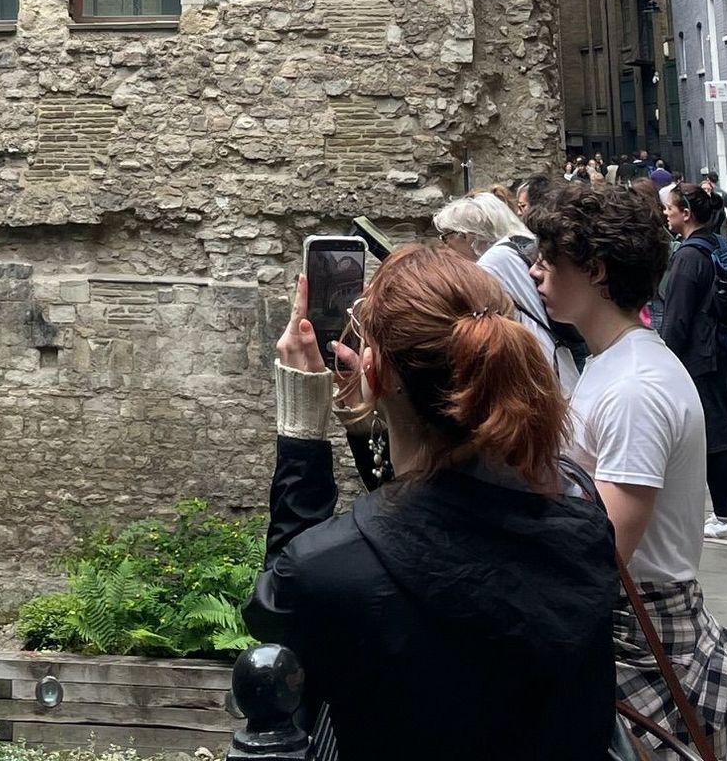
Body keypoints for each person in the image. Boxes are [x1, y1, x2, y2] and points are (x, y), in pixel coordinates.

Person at [245, 245, 618, 761]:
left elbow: (277, 614)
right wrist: (371, 424)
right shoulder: (583, 529)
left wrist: (302, 432)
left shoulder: (328, 568)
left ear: (374, 372)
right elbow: (431, 517)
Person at [526, 184, 727, 761]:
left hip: (637, 631)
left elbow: (600, 551)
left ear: (596, 270)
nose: (534, 273)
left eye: (549, 260)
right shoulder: (615, 362)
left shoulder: (635, 389)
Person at [660, 185, 727, 549]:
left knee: (716, 437)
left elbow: (677, 318)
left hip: (704, 358)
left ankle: (723, 520)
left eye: (670, 208)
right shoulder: (718, 245)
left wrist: (665, 361)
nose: (666, 213)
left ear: (686, 213)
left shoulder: (688, 256)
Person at [433, 191, 579, 393]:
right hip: (557, 359)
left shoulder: (490, 263)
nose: (444, 246)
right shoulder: (514, 244)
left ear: (464, 235)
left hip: (536, 368)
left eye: (446, 237)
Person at [698, 168, 727, 237]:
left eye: (708, 189)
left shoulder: (701, 194)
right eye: (704, 189)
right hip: (721, 221)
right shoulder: (723, 193)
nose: (706, 191)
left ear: (708, 179)